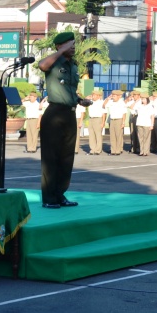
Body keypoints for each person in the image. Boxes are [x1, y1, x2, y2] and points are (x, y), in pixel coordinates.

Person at [38, 31, 90, 208]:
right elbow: (42, 66)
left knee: (66, 158)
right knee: (51, 158)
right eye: (70, 44)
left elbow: (69, 91)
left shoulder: (72, 65)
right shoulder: (53, 62)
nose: (74, 47)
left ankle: (60, 194)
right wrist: (61, 52)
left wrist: (80, 100)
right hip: (54, 114)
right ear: (60, 46)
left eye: (74, 44)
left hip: (69, 113)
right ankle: (49, 198)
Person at [104, 90, 128, 156]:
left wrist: (123, 122)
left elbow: (124, 113)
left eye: (114, 96)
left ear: (118, 96)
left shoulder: (122, 103)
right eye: (112, 95)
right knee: (112, 136)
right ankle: (113, 150)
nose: (113, 97)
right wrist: (108, 98)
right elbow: (104, 105)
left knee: (118, 136)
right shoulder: (110, 102)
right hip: (112, 120)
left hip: (119, 120)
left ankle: (118, 150)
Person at [86, 90, 106, 155]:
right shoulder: (90, 102)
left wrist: (103, 122)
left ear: (98, 96)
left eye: (94, 95)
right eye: (92, 95)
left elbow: (104, 113)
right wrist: (87, 97)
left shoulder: (101, 102)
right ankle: (92, 149)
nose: (93, 96)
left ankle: (98, 150)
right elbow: (83, 102)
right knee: (91, 135)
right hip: (91, 119)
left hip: (98, 119)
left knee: (98, 135)